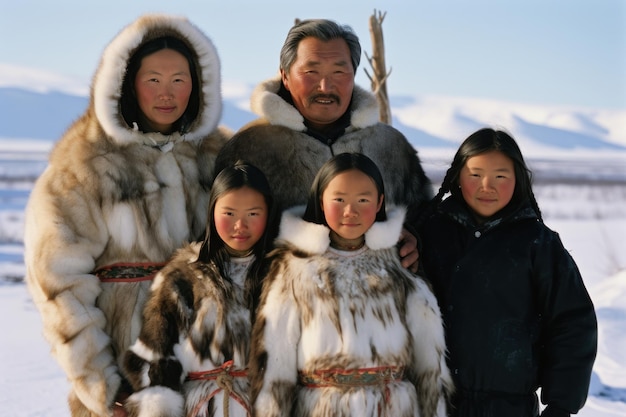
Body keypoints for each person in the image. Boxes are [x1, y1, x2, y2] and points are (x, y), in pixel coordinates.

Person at [23, 14, 230, 417]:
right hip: (124, 369)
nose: (167, 92)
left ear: (199, 84)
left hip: (207, 372)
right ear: (125, 81)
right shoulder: (83, 164)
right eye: (153, 79)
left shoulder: (219, 158)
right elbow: (59, 286)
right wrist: (101, 382)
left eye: (179, 79)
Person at [213, 18, 432, 272]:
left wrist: (416, 240)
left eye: (339, 72)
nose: (325, 87)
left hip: (374, 304)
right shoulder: (250, 145)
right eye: (311, 72)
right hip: (281, 304)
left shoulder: (389, 144)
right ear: (285, 76)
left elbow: (427, 218)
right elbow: (215, 233)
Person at [250, 153, 453, 417]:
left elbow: (429, 361)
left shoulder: (401, 262)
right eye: (339, 199)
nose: (350, 210)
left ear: (379, 201)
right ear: (321, 199)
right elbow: (276, 362)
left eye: (363, 200)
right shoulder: (294, 267)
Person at [416, 128, 597, 417]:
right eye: (475, 175)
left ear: (518, 180)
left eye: (500, 176)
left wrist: (562, 403)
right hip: (430, 403)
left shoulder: (538, 243)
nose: (486, 186)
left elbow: (573, 323)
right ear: (457, 177)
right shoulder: (428, 233)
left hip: (509, 407)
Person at [122, 162, 278, 417]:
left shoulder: (283, 274)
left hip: (265, 405)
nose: (240, 225)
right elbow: (155, 357)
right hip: (201, 406)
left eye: (253, 213)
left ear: (268, 213)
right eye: (229, 214)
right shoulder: (183, 276)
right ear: (212, 212)